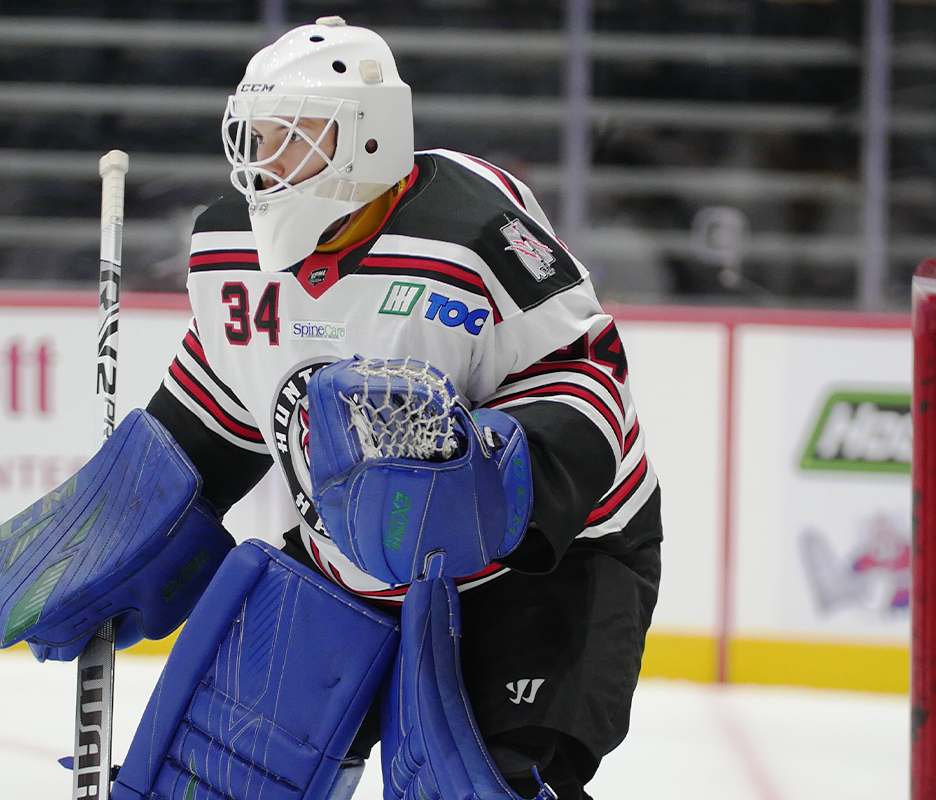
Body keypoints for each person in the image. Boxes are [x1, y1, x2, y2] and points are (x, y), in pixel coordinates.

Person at [138, 17, 663, 800]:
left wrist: (492, 479)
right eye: (256, 136)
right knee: (219, 778)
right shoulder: (225, 251)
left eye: (294, 136)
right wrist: (134, 519)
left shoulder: (475, 234)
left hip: (544, 564)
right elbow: (220, 401)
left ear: (369, 139)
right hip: (347, 554)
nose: (264, 160)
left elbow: (586, 375)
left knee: (494, 786)